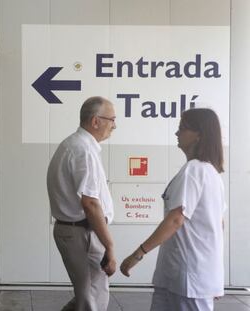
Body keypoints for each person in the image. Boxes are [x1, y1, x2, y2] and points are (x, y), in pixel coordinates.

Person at [120, 108, 226, 311]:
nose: (177, 133)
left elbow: (176, 219)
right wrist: (215, 276)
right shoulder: (211, 173)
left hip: (188, 278)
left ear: (198, 135)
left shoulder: (194, 170)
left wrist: (137, 255)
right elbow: (219, 225)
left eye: (182, 128)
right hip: (186, 275)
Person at [47, 96, 117, 311]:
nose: (115, 126)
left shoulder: (78, 145)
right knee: (91, 299)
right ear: (96, 121)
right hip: (80, 233)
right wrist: (110, 246)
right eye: (112, 119)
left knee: (88, 295)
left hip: (81, 232)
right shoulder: (83, 150)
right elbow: (90, 204)